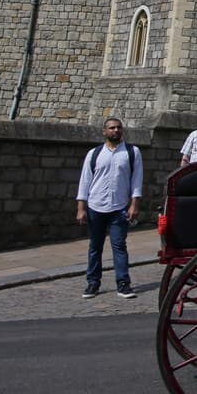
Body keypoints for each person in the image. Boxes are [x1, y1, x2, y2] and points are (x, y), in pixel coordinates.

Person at [75, 117, 142, 299]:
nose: (116, 131)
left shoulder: (132, 152)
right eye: (112, 128)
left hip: (119, 207)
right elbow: (85, 182)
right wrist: (81, 208)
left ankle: (123, 283)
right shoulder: (94, 154)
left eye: (118, 128)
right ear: (104, 131)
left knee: (119, 245)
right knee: (95, 246)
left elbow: (136, 180)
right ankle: (93, 283)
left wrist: (134, 204)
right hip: (96, 206)